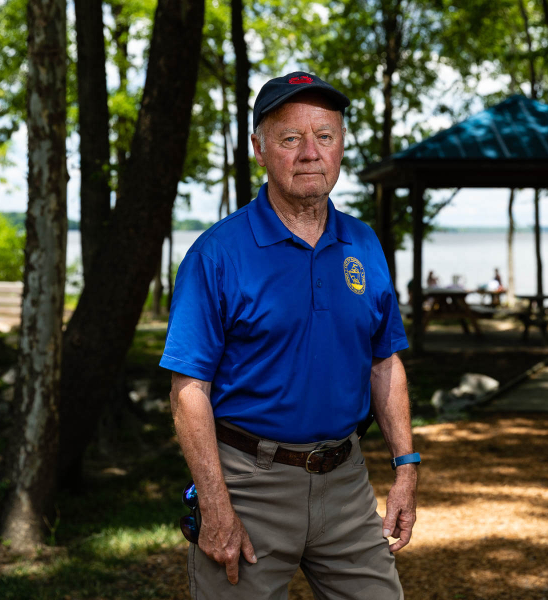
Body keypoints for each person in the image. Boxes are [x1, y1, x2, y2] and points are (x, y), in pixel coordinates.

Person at [161, 71, 418, 600]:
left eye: (324, 136)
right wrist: (215, 506)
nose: (309, 153)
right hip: (247, 485)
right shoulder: (218, 254)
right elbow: (189, 390)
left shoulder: (363, 245)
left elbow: (384, 361)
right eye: (289, 138)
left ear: (341, 145)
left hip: (345, 481)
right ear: (258, 148)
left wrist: (406, 465)